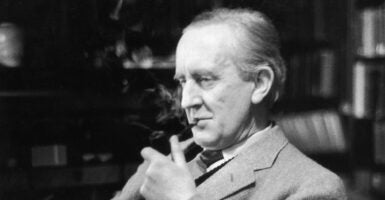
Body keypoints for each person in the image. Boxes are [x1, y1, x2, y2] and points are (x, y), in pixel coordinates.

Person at [113, 8, 347, 200]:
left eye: (205, 80)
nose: (186, 101)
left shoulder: (313, 187)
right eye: (183, 82)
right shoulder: (168, 161)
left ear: (259, 84)